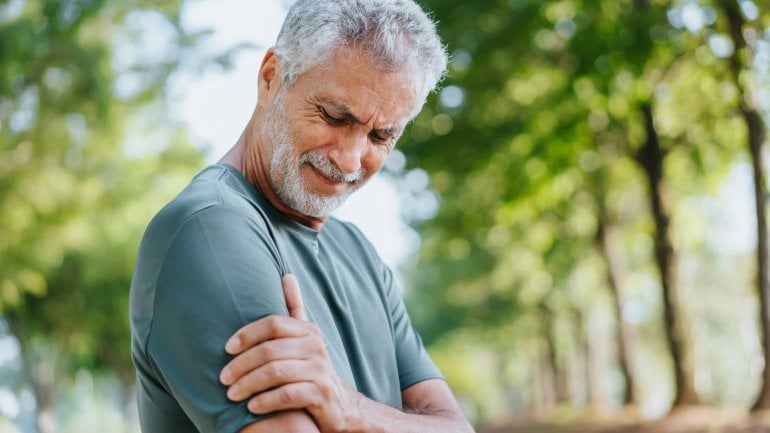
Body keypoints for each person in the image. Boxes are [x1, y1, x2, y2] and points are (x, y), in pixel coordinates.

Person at [129, 0, 474, 432]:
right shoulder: (209, 228)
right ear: (271, 77)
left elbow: (456, 427)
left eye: (381, 135)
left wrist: (352, 411)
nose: (350, 161)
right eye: (333, 116)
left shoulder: (358, 252)